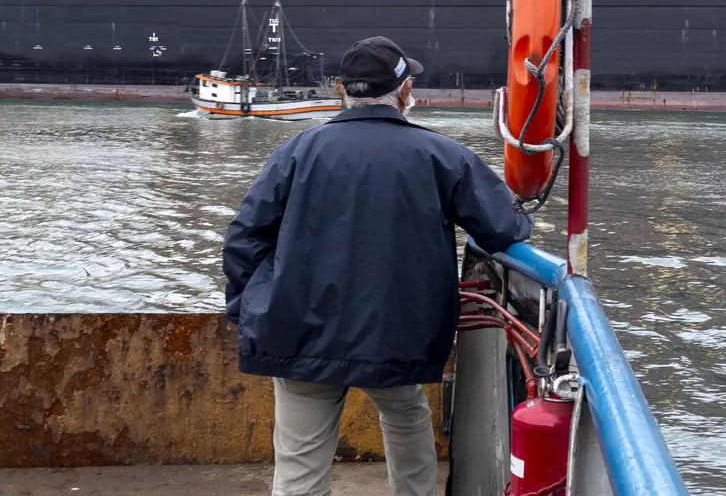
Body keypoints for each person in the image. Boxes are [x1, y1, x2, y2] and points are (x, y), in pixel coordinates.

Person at [223, 36, 533, 496]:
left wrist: (251, 309)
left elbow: (244, 239)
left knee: (299, 463)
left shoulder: (296, 152)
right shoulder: (441, 155)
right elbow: (502, 230)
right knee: (406, 414)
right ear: (405, 92)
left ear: (341, 88)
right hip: (397, 335)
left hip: (300, 330)